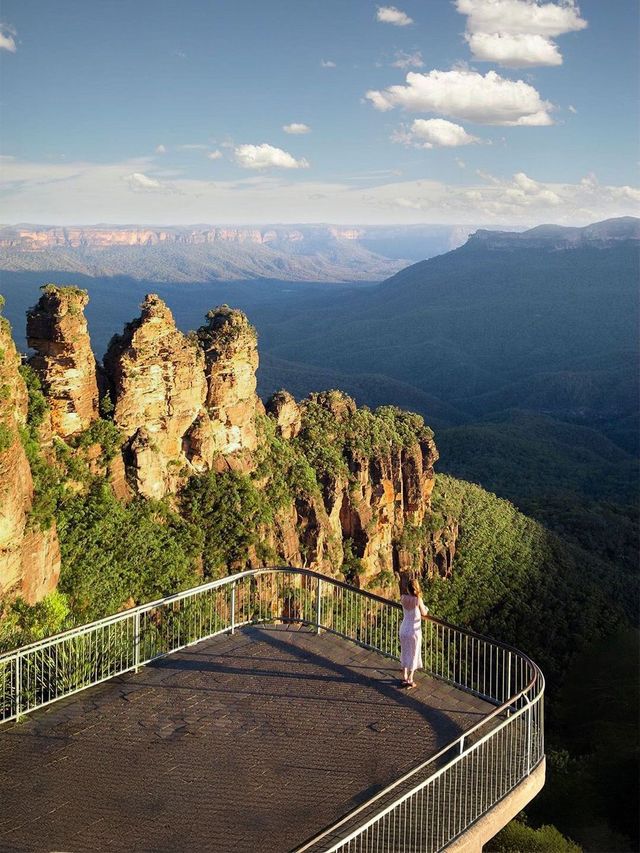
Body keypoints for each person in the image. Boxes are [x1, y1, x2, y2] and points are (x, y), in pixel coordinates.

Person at [399, 578, 429, 689]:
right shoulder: (417, 600)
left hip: (403, 629)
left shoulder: (403, 598)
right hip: (414, 631)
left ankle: (405, 676)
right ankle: (410, 679)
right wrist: (426, 608)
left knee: (405, 651)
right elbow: (424, 612)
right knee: (414, 653)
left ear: (408, 588)